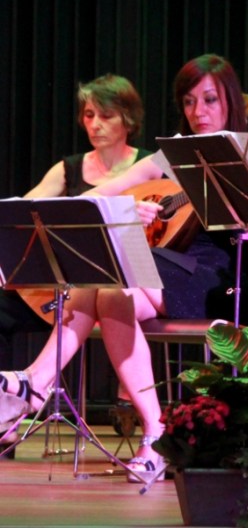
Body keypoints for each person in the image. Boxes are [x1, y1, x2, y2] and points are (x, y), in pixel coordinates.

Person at [0, 54, 248, 482]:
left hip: (217, 283)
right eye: (189, 101)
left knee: (112, 280)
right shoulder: (168, 158)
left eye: (209, 99)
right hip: (164, 268)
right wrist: (126, 208)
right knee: (108, 285)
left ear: (230, 100)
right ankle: (155, 431)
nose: (198, 111)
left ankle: (35, 382)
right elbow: (92, 199)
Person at [0, 75, 152, 457]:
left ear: (128, 119)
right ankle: (5, 422)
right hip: (56, 293)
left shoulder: (149, 167)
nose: (95, 124)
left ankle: (32, 385)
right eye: (88, 115)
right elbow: (24, 212)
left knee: (105, 290)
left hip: (119, 289)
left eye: (106, 115)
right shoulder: (68, 169)